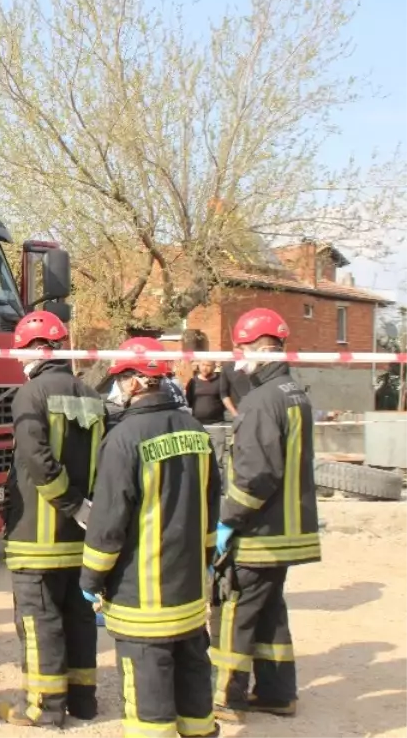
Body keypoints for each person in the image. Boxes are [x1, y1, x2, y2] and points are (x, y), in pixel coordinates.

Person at [80, 336, 221, 738]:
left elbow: (108, 524)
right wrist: (205, 560)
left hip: (143, 600)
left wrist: (91, 580)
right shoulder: (197, 431)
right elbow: (212, 507)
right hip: (190, 595)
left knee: (149, 698)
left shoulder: (123, 440)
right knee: (194, 679)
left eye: (122, 378)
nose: (119, 388)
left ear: (136, 382)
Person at [211, 308, 321, 723]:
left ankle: (225, 696)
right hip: (289, 531)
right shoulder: (296, 393)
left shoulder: (260, 400)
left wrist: (227, 519)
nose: (238, 358)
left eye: (241, 349)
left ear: (257, 348)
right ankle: (277, 693)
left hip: (260, 534)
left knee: (234, 611)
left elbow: (256, 476)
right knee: (271, 613)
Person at [0, 311, 105, 728]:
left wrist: (71, 503)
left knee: (39, 621)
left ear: (33, 350)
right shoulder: (91, 394)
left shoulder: (29, 395)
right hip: (79, 536)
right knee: (78, 617)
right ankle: (83, 701)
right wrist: (85, 510)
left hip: (37, 536)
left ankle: (44, 709)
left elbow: (38, 462)